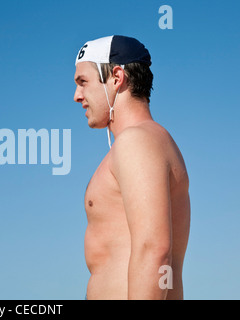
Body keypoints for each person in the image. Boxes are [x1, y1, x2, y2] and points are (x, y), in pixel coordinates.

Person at [73, 35, 190, 300]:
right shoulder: (147, 141)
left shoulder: (137, 141)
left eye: (83, 82)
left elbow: (155, 248)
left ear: (116, 77)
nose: (77, 96)